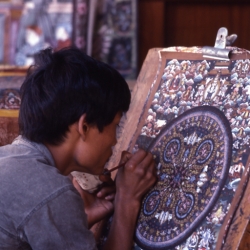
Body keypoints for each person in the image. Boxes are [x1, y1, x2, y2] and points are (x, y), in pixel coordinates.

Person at [0, 47, 157, 249]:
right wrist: (127, 201)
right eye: (115, 126)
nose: (115, 142)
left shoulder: (9, 158)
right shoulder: (51, 191)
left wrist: (82, 219)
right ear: (84, 126)